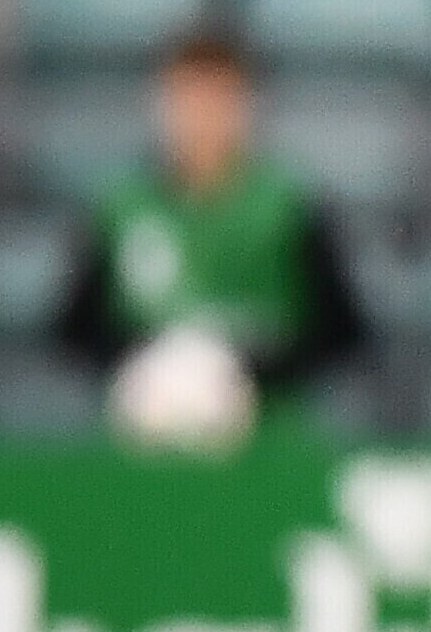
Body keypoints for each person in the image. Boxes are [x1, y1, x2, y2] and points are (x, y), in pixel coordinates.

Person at [52, 24, 370, 430]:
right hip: (148, 434)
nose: (202, 118)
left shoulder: (291, 205)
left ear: (245, 106)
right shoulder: (119, 207)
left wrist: (247, 371)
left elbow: (343, 330)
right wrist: (150, 364)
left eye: (218, 100)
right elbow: (75, 329)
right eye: (189, 99)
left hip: (267, 437)